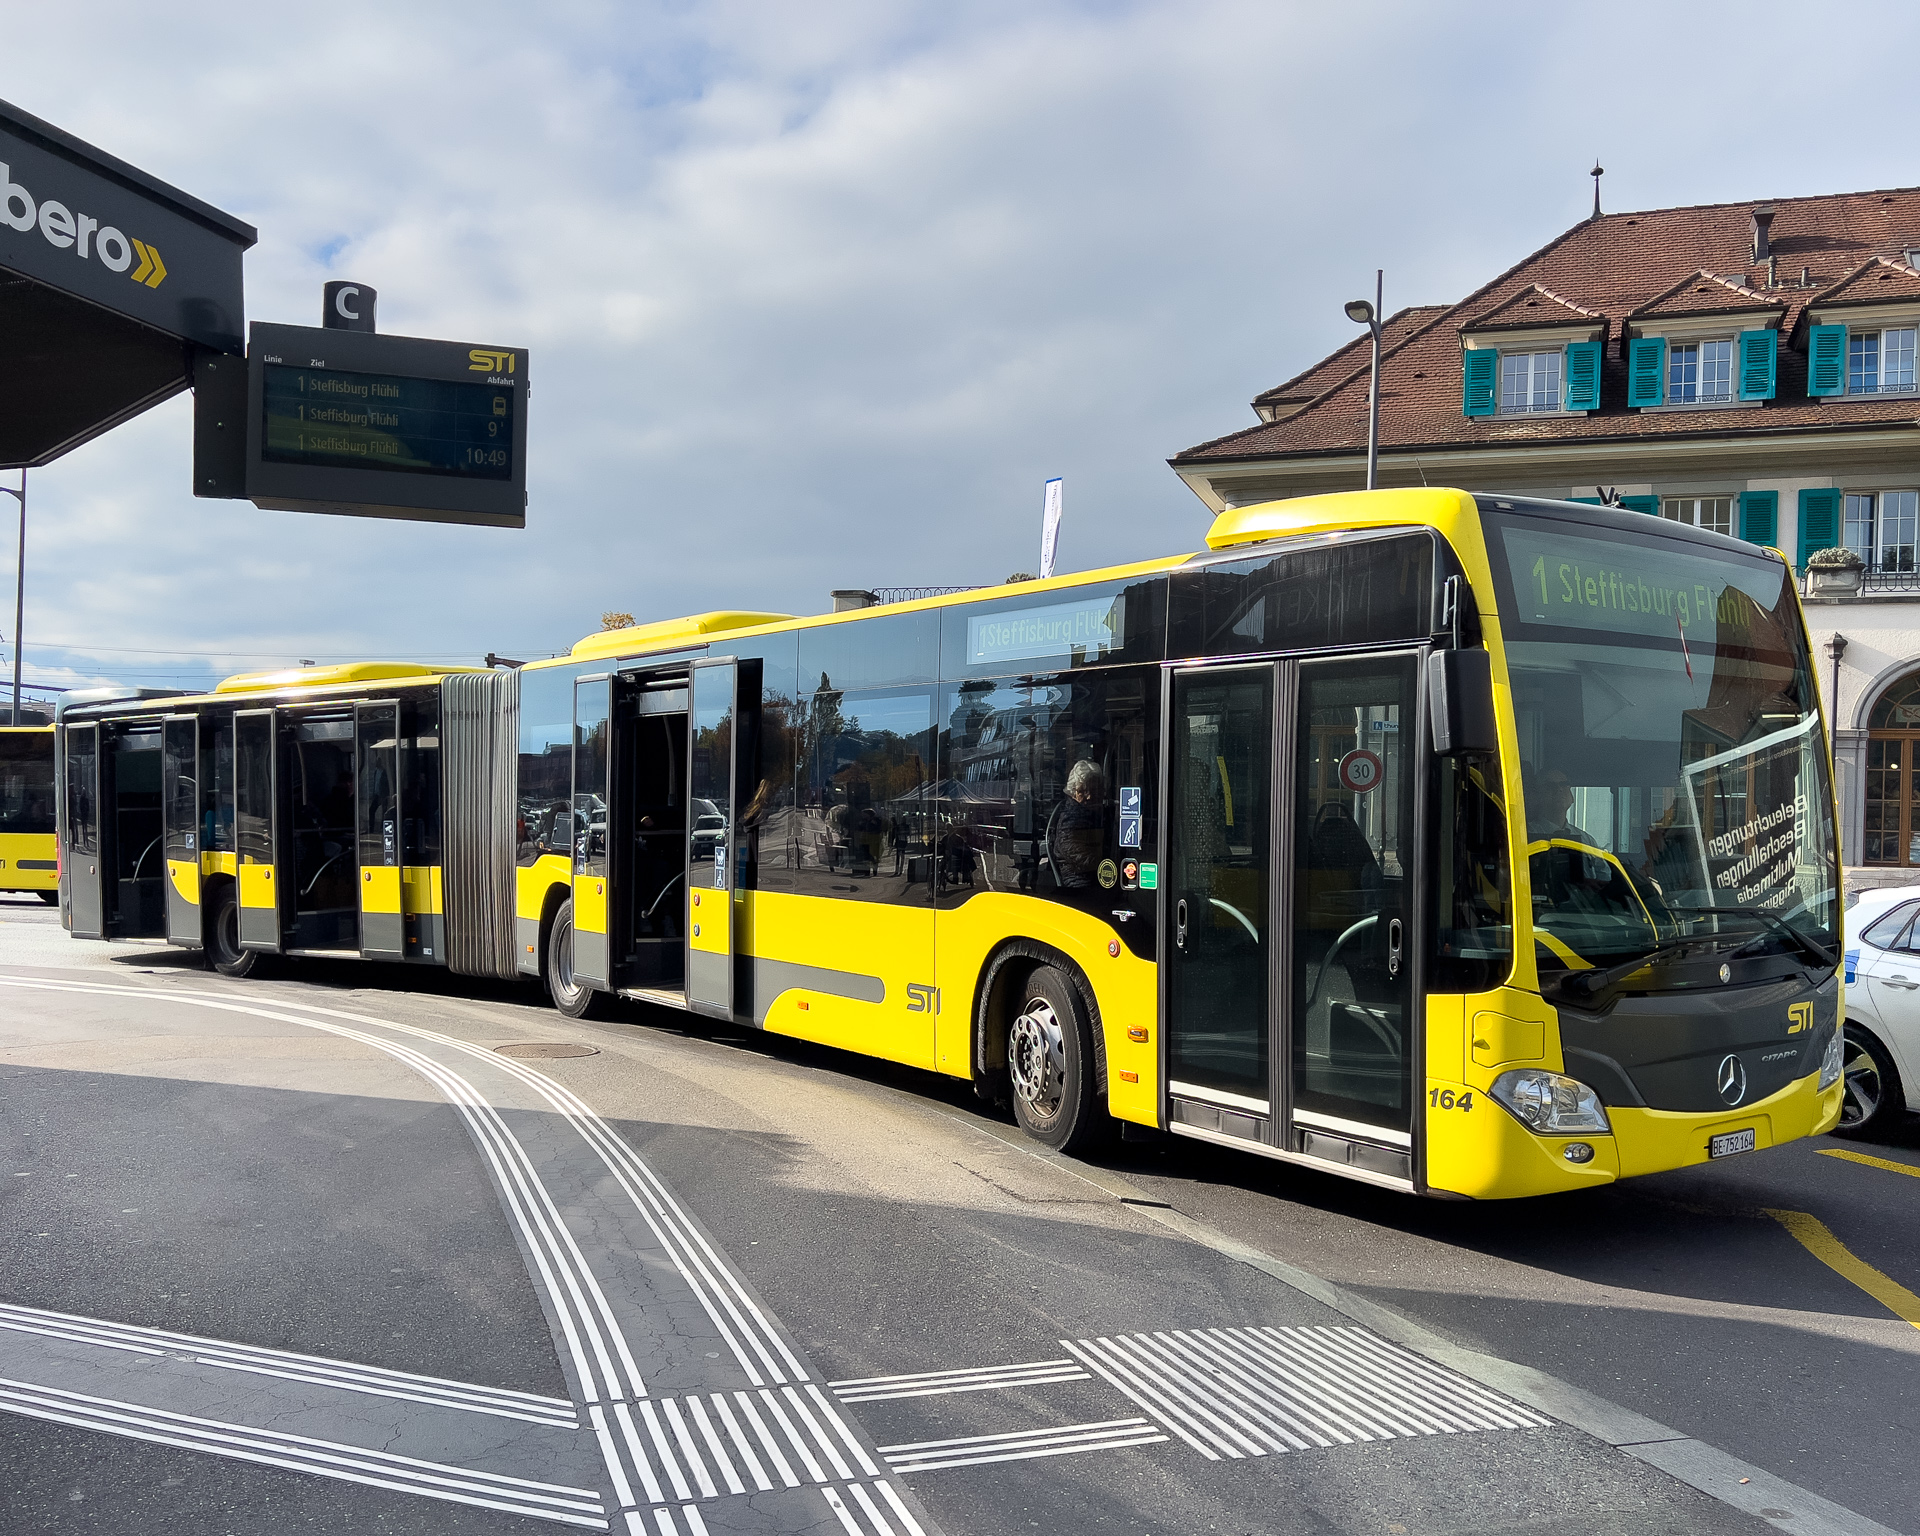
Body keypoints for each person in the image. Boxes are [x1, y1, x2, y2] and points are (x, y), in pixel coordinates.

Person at [1050, 760, 1106, 888]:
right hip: (1077, 878)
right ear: (1073, 791)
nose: (1089, 796)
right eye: (1083, 791)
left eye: (1094, 790)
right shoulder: (1070, 816)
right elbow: (1074, 851)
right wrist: (1105, 862)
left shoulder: (1097, 812)